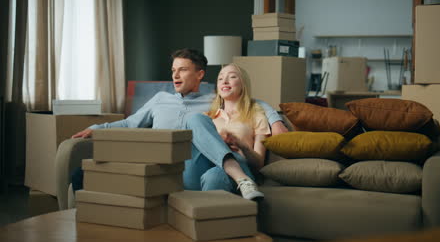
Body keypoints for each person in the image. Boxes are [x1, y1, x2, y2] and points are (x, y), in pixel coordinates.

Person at [71, 48, 288, 199]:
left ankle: (235, 185)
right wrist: (96, 128)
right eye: (173, 70)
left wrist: (274, 117)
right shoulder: (160, 100)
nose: (175, 75)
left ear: (200, 74)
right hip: (160, 163)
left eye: (182, 70)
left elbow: (247, 101)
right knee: (83, 173)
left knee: (198, 126)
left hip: (196, 164)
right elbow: (130, 124)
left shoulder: (211, 103)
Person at [204, 63, 271, 199]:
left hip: (241, 166)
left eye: (232, 77)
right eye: (220, 78)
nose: (225, 81)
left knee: (214, 176)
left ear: (243, 84)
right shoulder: (208, 117)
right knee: (195, 119)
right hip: (207, 164)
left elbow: (259, 164)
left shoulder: (255, 114)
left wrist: (239, 143)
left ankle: (243, 180)